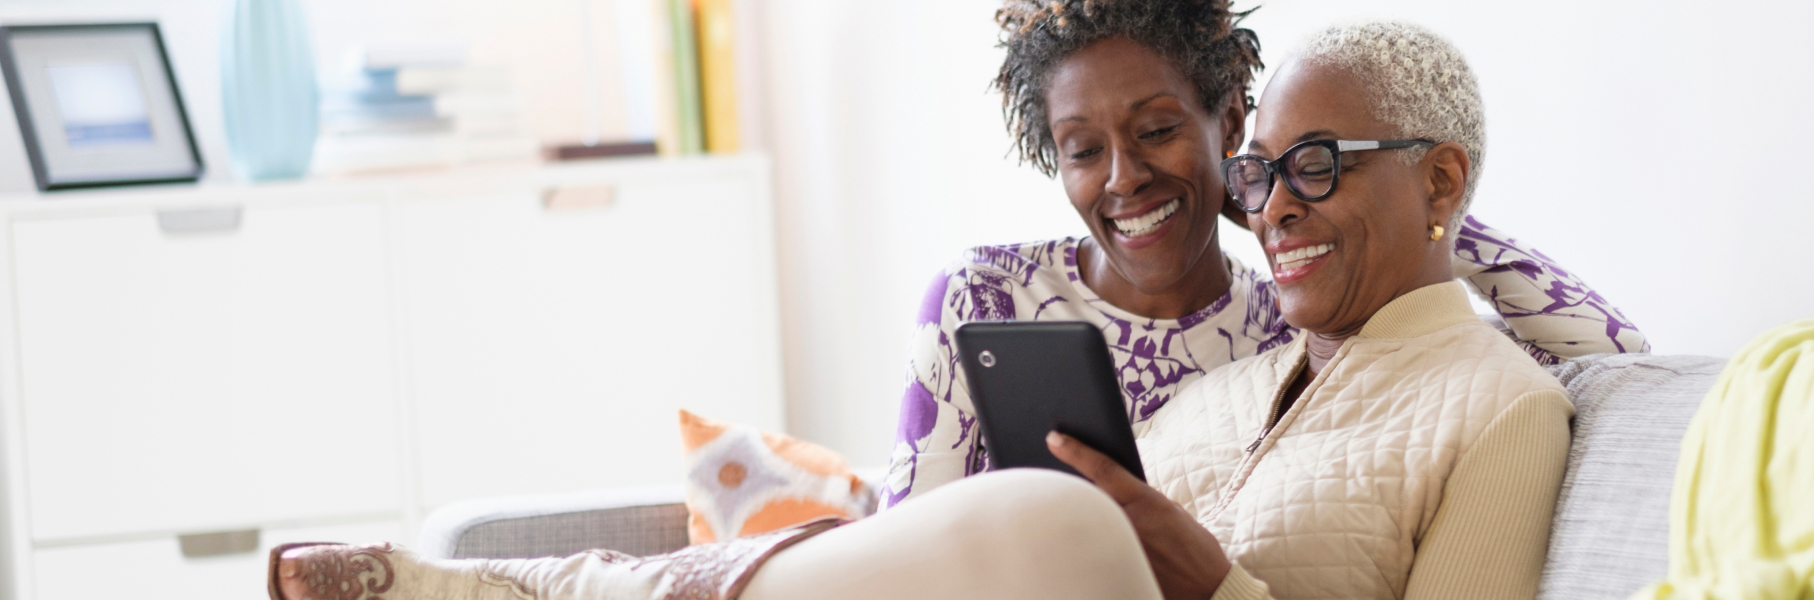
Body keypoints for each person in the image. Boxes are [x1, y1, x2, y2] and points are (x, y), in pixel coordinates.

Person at [266, 10, 1588, 600]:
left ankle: (567, 593)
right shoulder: (1225, 387)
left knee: (1066, 518)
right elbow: (919, 556)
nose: (1280, 204)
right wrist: (1317, 200)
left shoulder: (1489, 403)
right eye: (1270, 176)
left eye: (1314, 169)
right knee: (1049, 522)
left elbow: (1599, 352)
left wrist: (1315, 209)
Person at [881, 0, 1642, 509]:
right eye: (1083, 150)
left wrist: (1418, 208)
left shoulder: (1300, 330)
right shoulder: (981, 298)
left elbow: (1618, 355)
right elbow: (904, 538)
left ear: (1230, 121)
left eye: (1155, 132)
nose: (1123, 179)